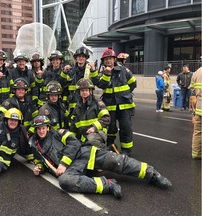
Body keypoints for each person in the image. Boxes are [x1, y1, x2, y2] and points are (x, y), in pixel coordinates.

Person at [30, 115, 172, 199]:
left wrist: (63, 163)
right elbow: (41, 161)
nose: (42, 130)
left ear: (48, 127)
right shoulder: (36, 146)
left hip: (84, 154)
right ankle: (109, 185)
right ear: (36, 130)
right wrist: (39, 167)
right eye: (39, 128)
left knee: (117, 161)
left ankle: (152, 174)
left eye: (44, 127)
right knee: (65, 182)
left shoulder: (59, 132)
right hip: (72, 169)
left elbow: (74, 143)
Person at [91, 48, 137, 156]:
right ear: (103, 61)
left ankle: (126, 152)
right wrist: (105, 74)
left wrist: (125, 94)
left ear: (114, 59)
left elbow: (133, 83)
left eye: (110, 59)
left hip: (125, 106)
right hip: (110, 106)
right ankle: (110, 148)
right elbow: (100, 84)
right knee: (110, 130)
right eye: (106, 59)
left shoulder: (123, 70)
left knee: (126, 128)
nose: (108, 61)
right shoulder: (103, 73)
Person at [70, 78, 110, 149]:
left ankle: (104, 150)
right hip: (84, 136)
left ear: (90, 91)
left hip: (97, 132)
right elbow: (73, 124)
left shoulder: (97, 103)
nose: (84, 92)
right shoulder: (78, 106)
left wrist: (94, 128)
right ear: (79, 92)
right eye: (82, 90)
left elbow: (106, 118)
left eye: (86, 90)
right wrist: (72, 139)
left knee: (91, 140)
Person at [60, 47, 96, 114]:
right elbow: (62, 83)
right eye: (79, 56)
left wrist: (93, 70)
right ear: (76, 58)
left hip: (87, 102)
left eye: (83, 56)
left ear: (86, 58)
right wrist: (64, 72)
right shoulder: (70, 71)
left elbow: (97, 82)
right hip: (73, 103)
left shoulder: (90, 70)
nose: (81, 58)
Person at [189, 67, 202, 160]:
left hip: (199, 108)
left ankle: (196, 154)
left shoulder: (197, 72)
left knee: (198, 132)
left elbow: (192, 89)